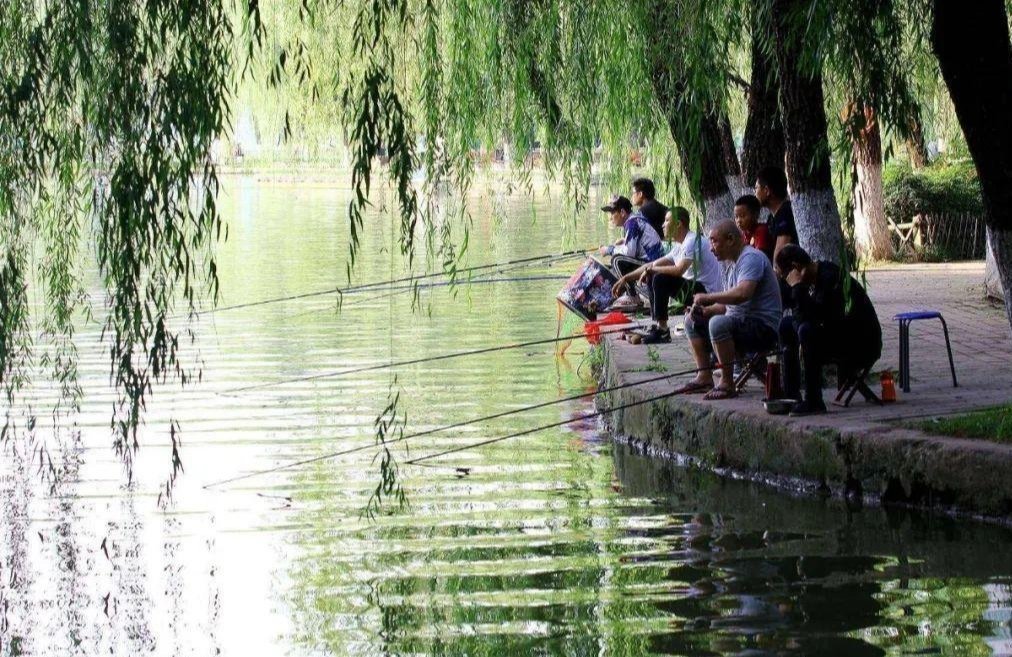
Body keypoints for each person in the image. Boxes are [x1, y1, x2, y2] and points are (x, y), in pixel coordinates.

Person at [675, 219, 782, 400]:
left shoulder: (751, 258)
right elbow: (728, 304)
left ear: (731, 239)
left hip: (763, 328)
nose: (711, 248)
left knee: (718, 324)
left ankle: (727, 383)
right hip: (741, 322)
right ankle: (704, 377)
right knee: (691, 321)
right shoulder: (729, 264)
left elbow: (742, 294)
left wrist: (708, 298)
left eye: (714, 241)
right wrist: (706, 311)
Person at [776, 244, 882, 416]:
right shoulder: (814, 279)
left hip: (861, 344)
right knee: (786, 326)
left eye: (787, 278)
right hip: (839, 335)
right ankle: (792, 396)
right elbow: (801, 315)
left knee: (807, 331)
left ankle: (814, 400)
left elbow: (816, 317)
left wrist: (797, 287)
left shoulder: (830, 277)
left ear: (796, 268)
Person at [610, 207, 723, 343]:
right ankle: (658, 325)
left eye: (667, 220)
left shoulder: (691, 241)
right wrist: (626, 278)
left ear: (678, 224)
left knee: (659, 277)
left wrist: (653, 270)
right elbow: (651, 265)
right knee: (653, 274)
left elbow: (679, 270)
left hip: (708, 296)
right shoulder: (679, 245)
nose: (663, 225)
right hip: (696, 291)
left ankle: (663, 331)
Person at [599, 195, 665, 310]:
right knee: (616, 263)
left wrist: (608, 250)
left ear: (622, 212)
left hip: (652, 264)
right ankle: (631, 293)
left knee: (616, 260)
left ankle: (633, 297)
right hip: (654, 262)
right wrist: (624, 241)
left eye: (612, 213)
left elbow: (629, 253)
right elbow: (635, 246)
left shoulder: (632, 223)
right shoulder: (635, 219)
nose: (610, 218)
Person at [754, 166, 798, 259]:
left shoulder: (786, 213)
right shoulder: (772, 217)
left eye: (756, 188)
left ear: (767, 191)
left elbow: (779, 258)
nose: (755, 193)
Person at [734, 194, 774, 263]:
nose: (739, 221)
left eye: (742, 216)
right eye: (736, 217)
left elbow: (758, 258)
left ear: (755, 215)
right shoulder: (743, 236)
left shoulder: (761, 231)